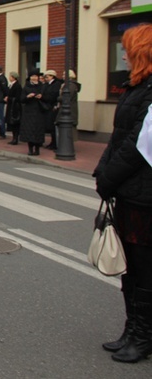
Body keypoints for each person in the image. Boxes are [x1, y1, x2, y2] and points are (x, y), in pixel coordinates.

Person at [94, 24, 152, 364]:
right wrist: (103, 171)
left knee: (145, 269)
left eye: (129, 49)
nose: (124, 55)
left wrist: (109, 177)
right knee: (131, 268)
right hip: (129, 193)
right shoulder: (137, 87)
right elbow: (118, 137)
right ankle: (132, 329)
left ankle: (143, 336)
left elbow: (137, 148)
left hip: (145, 197)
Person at [20, 69, 46, 156]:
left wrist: (41, 97)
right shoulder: (26, 87)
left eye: (36, 76)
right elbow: (22, 99)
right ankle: (30, 149)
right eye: (33, 76)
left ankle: (37, 149)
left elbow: (47, 97)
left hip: (39, 111)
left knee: (38, 130)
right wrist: (28, 96)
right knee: (29, 130)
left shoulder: (42, 86)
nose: (34, 78)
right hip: (29, 111)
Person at [42, 69, 62, 150]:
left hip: (52, 107)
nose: (46, 78)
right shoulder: (47, 84)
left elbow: (53, 96)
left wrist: (43, 97)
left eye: (47, 76)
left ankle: (55, 143)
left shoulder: (56, 84)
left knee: (53, 126)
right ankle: (52, 142)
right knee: (50, 126)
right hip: (48, 107)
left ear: (51, 76)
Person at [5, 71, 22, 145]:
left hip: (15, 107)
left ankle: (16, 139)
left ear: (13, 77)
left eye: (10, 76)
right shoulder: (11, 85)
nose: (9, 78)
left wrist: (8, 98)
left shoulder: (17, 86)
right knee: (12, 123)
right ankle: (14, 138)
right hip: (11, 106)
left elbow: (17, 97)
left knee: (15, 123)